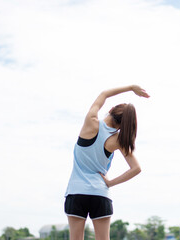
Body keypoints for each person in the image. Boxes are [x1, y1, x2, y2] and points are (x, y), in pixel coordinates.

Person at [64, 85, 150, 240]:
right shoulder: (119, 140)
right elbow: (136, 168)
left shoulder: (91, 121)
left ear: (110, 109)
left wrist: (131, 88)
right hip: (100, 194)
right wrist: (110, 183)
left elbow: (104, 93)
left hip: (76, 192)